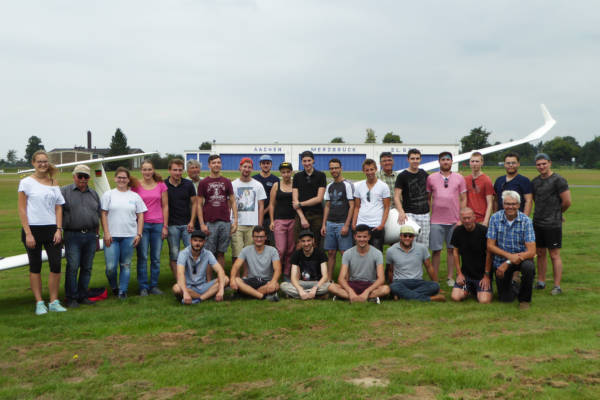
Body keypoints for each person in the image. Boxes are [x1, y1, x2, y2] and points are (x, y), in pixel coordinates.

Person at [18, 150, 67, 314]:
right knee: (35, 266)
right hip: (32, 230)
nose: (42, 164)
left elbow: (59, 207)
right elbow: (22, 209)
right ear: (33, 163)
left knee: (55, 264)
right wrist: (28, 233)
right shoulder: (25, 183)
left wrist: (59, 229)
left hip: (52, 230)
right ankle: (39, 302)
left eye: (45, 161)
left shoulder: (53, 182)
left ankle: (53, 301)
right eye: (39, 161)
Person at [101, 167, 147, 299]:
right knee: (111, 267)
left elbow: (141, 215)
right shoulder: (108, 195)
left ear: (128, 179)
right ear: (115, 179)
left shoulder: (135, 196)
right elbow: (103, 214)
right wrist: (106, 233)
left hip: (129, 236)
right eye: (119, 177)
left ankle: (122, 291)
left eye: (124, 178)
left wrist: (138, 234)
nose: (122, 180)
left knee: (126, 265)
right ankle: (114, 286)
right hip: (112, 236)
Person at [487, 191, 536, 309]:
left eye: (514, 204)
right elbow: (490, 246)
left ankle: (524, 300)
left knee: (528, 267)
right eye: (507, 204)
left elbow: (531, 251)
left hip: (521, 259)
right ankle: (515, 285)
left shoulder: (526, 221)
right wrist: (509, 257)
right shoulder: (495, 218)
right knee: (505, 299)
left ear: (519, 205)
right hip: (501, 261)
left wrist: (508, 261)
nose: (510, 207)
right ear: (503, 204)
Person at [61, 164, 101, 308]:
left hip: (90, 235)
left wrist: (97, 236)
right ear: (74, 176)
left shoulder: (94, 194)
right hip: (72, 235)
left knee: (87, 267)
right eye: (80, 176)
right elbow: (56, 212)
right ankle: (71, 298)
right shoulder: (64, 191)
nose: (83, 179)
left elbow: (98, 215)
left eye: (86, 176)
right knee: (72, 267)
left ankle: (83, 295)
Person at [531, 153, 571, 295]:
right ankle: (541, 281)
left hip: (553, 224)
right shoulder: (535, 182)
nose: (541, 166)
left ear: (550, 163)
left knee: (554, 254)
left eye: (544, 163)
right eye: (538, 164)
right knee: (540, 253)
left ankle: (557, 286)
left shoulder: (558, 180)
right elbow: (536, 200)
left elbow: (567, 201)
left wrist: (558, 214)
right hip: (538, 222)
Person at [426, 151, 467, 287]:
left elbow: (463, 198)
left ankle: (450, 277)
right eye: (443, 159)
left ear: (451, 161)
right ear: (439, 162)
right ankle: (434, 277)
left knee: (452, 250)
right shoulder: (431, 178)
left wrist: (461, 217)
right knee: (436, 250)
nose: (445, 162)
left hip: (454, 220)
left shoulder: (459, 178)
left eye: (448, 160)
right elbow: (428, 198)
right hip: (436, 221)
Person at [132, 159, 168, 296]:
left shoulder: (161, 185)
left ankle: (153, 285)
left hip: (158, 225)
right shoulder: (136, 186)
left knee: (156, 258)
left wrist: (165, 226)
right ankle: (143, 287)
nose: (147, 172)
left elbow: (165, 206)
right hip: (142, 225)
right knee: (142, 257)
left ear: (153, 170)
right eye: (144, 169)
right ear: (141, 171)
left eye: (149, 169)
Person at [328, 225, 390, 303]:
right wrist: (350, 291)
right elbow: (341, 278)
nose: (362, 239)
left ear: (369, 237)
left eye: (364, 237)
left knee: (386, 289)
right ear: (355, 237)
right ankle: (364, 298)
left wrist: (367, 291)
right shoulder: (347, 253)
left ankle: (348, 297)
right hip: (352, 283)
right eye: (359, 237)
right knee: (331, 286)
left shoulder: (377, 253)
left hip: (370, 284)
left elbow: (381, 279)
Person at [198, 154, 238, 275]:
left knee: (221, 253)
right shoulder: (204, 182)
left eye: (218, 162)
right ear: (209, 165)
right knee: (209, 253)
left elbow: (232, 201)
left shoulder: (226, 181)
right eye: (214, 163)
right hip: (210, 222)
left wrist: (235, 220)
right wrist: (202, 224)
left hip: (225, 222)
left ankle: (221, 280)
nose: (216, 165)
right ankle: (208, 281)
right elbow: (199, 204)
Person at [386, 225, 445, 302]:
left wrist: (437, 285)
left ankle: (401, 295)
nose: (407, 238)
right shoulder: (391, 250)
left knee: (434, 286)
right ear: (400, 236)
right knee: (394, 286)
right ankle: (431, 299)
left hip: (418, 281)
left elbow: (429, 267)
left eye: (410, 236)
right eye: (405, 235)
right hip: (400, 282)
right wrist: (392, 284)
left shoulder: (422, 248)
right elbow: (390, 271)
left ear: (413, 237)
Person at [172, 230, 229, 304]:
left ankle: (199, 299)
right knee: (176, 288)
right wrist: (185, 292)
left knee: (226, 279)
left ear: (204, 242)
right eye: (195, 240)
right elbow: (180, 274)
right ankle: (207, 296)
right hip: (188, 287)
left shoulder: (208, 254)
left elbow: (220, 271)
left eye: (200, 241)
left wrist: (221, 290)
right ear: (190, 241)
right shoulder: (183, 254)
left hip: (202, 286)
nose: (197, 243)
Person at [321, 158, 354, 281]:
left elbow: (352, 206)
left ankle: (347, 279)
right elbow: (327, 206)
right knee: (330, 253)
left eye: (336, 168)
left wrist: (346, 225)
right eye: (331, 168)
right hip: (330, 223)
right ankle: (329, 279)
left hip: (342, 223)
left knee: (345, 254)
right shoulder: (329, 186)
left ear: (341, 168)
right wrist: (324, 224)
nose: (334, 170)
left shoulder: (347, 185)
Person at [450, 208, 492, 303]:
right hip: (466, 275)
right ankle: (468, 289)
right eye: (464, 218)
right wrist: (459, 274)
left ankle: (476, 290)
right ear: (461, 218)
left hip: (481, 275)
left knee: (484, 301)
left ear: (474, 217)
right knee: (455, 297)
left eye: (469, 218)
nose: (467, 221)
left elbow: (489, 254)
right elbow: (455, 252)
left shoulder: (484, 231)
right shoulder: (457, 231)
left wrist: (486, 275)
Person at [231, 158, 267, 271]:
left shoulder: (258, 185)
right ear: (240, 168)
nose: (246, 169)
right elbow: (230, 205)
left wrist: (259, 225)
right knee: (237, 252)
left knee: (249, 253)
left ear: (252, 169)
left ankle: (246, 276)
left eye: (249, 167)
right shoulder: (233, 185)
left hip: (252, 224)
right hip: (237, 224)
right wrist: (232, 221)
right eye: (244, 166)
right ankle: (235, 277)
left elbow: (261, 206)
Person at [230, 226, 281, 301]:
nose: (259, 239)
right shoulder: (246, 250)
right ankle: (262, 296)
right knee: (237, 280)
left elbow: (278, 269)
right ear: (253, 237)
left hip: (265, 281)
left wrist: (273, 282)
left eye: (261, 237)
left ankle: (246, 294)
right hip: (250, 280)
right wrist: (232, 279)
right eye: (256, 237)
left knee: (276, 285)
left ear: (265, 237)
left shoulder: (272, 250)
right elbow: (236, 266)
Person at [165, 158, 197, 277]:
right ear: (169, 170)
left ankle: (192, 278)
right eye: (175, 170)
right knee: (174, 254)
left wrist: (192, 221)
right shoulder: (164, 185)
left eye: (180, 170)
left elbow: (194, 203)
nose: (178, 172)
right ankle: (179, 280)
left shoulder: (188, 184)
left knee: (192, 252)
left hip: (187, 224)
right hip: (172, 225)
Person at [352, 159, 390, 252]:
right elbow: (357, 207)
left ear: (376, 169)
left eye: (372, 169)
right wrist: (354, 223)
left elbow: (387, 207)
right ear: (363, 171)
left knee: (376, 253)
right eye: (367, 170)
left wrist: (381, 225)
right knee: (360, 253)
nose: (369, 172)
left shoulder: (383, 186)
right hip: (361, 224)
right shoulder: (359, 186)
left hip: (376, 225)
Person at [394, 148, 430, 246]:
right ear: (408, 160)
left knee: (424, 245)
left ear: (420, 159)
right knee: (408, 244)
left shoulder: (424, 174)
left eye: (417, 158)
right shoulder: (402, 176)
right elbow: (396, 196)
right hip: (409, 214)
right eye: (412, 158)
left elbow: (430, 193)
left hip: (424, 214)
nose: (415, 161)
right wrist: (401, 212)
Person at [280, 230, 330, 299]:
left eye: (308, 240)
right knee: (283, 285)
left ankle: (299, 295)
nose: (306, 244)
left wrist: (315, 288)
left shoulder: (320, 253)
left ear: (313, 240)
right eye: (303, 241)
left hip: (317, 283)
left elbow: (325, 276)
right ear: (300, 242)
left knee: (329, 286)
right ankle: (314, 295)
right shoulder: (296, 254)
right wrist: (300, 290)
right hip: (302, 283)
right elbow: (293, 278)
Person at [292, 150, 327, 248]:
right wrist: (302, 218)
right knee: (299, 245)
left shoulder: (321, 176)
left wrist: (300, 204)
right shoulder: (297, 176)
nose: (307, 163)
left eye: (309, 160)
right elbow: (295, 201)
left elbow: (319, 198)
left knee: (315, 245)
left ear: (313, 161)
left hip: (316, 215)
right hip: (300, 215)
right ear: (301, 162)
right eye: (304, 161)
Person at [269, 162, 296, 279]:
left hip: (293, 220)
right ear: (280, 173)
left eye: (288, 172)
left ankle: (286, 272)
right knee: (281, 249)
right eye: (283, 172)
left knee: (290, 249)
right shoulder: (276, 185)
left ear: (291, 172)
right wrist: (271, 221)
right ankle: (276, 271)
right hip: (279, 220)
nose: (286, 174)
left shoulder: (295, 185)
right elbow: (272, 205)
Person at [253, 154, 279, 245]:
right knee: (258, 240)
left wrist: (264, 211)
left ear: (271, 165)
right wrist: (259, 212)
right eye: (263, 163)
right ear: (260, 165)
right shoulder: (254, 179)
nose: (265, 165)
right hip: (255, 216)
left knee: (271, 241)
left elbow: (276, 199)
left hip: (270, 216)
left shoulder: (275, 180)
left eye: (268, 163)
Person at [464, 152, 494, 226]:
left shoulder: (486, 180)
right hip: (468, 218)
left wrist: (486, 221)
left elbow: (490, 203)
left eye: (477, 161)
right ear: (469, 163)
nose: (474, 163)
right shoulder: (465, 179)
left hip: (481, 219)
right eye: (472, 161)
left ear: (482, 163)